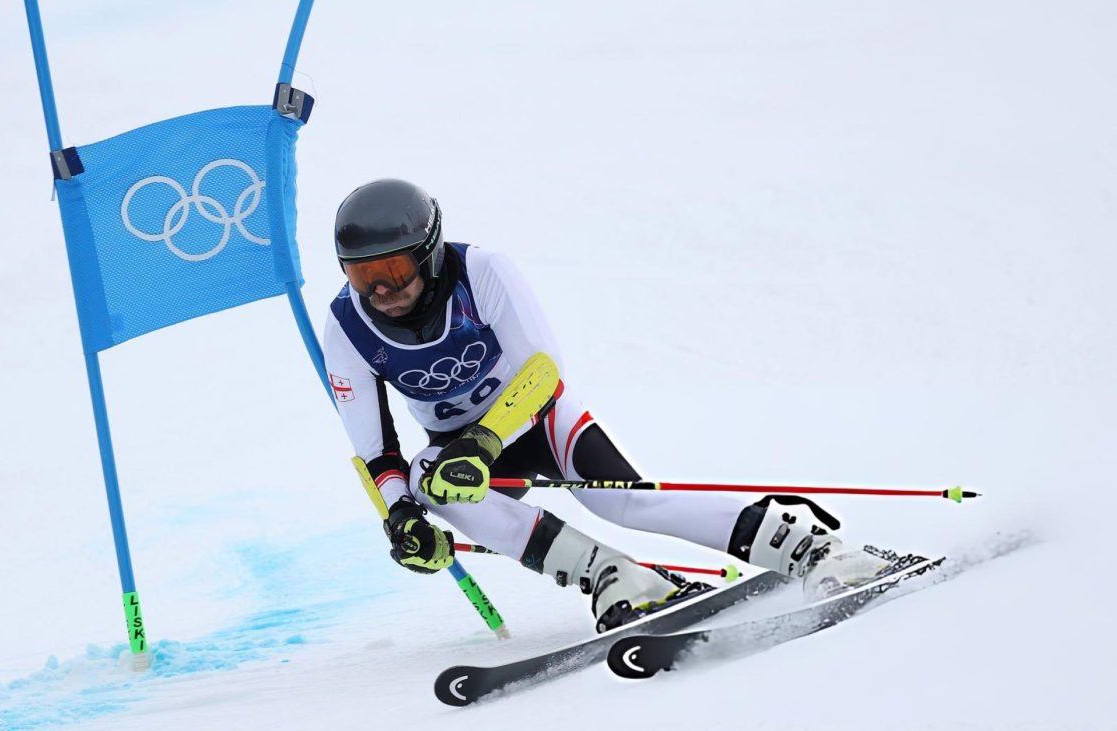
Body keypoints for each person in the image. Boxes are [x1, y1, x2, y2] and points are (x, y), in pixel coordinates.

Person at [322, 179, 891, 632]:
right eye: (362, 274)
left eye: (392, 270)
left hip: (538, 420)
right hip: (462, 451)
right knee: (426, 480)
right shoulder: (346, 326)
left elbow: (543, 375)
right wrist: (401, 519)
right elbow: (377, 453)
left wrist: (486, 439)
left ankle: (811, 548)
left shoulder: (482, 272)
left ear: (429, 254)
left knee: (624, 504)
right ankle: (615, 577)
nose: (379, 291)